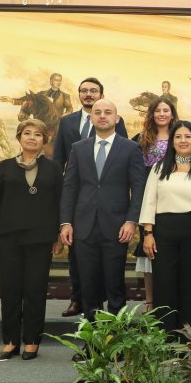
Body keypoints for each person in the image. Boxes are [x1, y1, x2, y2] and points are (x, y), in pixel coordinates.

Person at [0, 119, 63, 360]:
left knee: (35, 290)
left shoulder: (54, 169)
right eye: (27, 133)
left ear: (44, 141)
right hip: (9, 239)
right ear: (19, 138)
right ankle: (11, 341)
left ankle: (32, 341)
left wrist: (57, 236)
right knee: (11, 290)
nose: (32, 138)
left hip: (41, 239)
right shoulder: (5, 166)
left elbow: (60, 203)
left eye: (38, 134)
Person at [59, 99, 146, 333]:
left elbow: (139, 188)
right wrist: (65, 222)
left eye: (108, 112)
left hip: (116, 227)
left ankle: (116, 342)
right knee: (88, 287)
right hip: (83, 226)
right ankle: (92, 343)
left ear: (117, 118)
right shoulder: (79, 148)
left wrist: (131, 220)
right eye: (97, 112)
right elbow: (70, 186)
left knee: (114, 286)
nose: (103, 116)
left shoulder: (130, 148)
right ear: (92, 118)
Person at [53, 77, 128, 318]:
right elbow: (63, 171)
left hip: (113, 218)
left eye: (93, 91)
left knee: (113, 277)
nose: (88, 94)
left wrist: (132, 219)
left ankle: (114, 333)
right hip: (81, 212)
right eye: (83, 91)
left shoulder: (123, 137)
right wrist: (64, 217)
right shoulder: (68, 126)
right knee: (83, 270)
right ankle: (81, 307)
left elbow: (124, 163)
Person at [140, 121, 191, 335]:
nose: (183, 140)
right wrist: (148, 234)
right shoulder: (158, 168)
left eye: (187, 136)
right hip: (164, 233)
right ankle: (166, 338)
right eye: (178, 136)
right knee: (165, 285)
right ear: (172, 142)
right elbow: (149, 202)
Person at [132, 97, 178, 312]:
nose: (162, 114)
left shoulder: (180, 137)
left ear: (172, 114)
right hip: (147, 200)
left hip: (173, 199)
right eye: (157, 110)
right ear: (151, 114)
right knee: (149, 250)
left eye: (165, 110)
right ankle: (151, 301)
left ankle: (171, 300)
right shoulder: (141, 139)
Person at [0, 72, 73, 118]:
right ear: (51, 81)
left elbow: (70, 109)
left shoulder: (65, 96)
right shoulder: (42, 94)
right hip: (40, 122)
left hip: (57, 123)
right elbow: (29, 99)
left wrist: (64, 115)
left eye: (60, 80)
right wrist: (12, 100)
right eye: (56, 80)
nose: (59, 82)